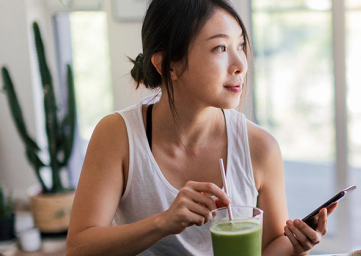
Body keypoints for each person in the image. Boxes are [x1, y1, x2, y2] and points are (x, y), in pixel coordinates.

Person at [66, 0, 336, 255]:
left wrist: (297, 247)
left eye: (240, 45)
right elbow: (78, 248)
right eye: (220, 48)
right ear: (169, 65)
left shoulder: (261, 148)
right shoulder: (118, 135)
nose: (240, 64)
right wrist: (164, 222)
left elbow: (269, 247)